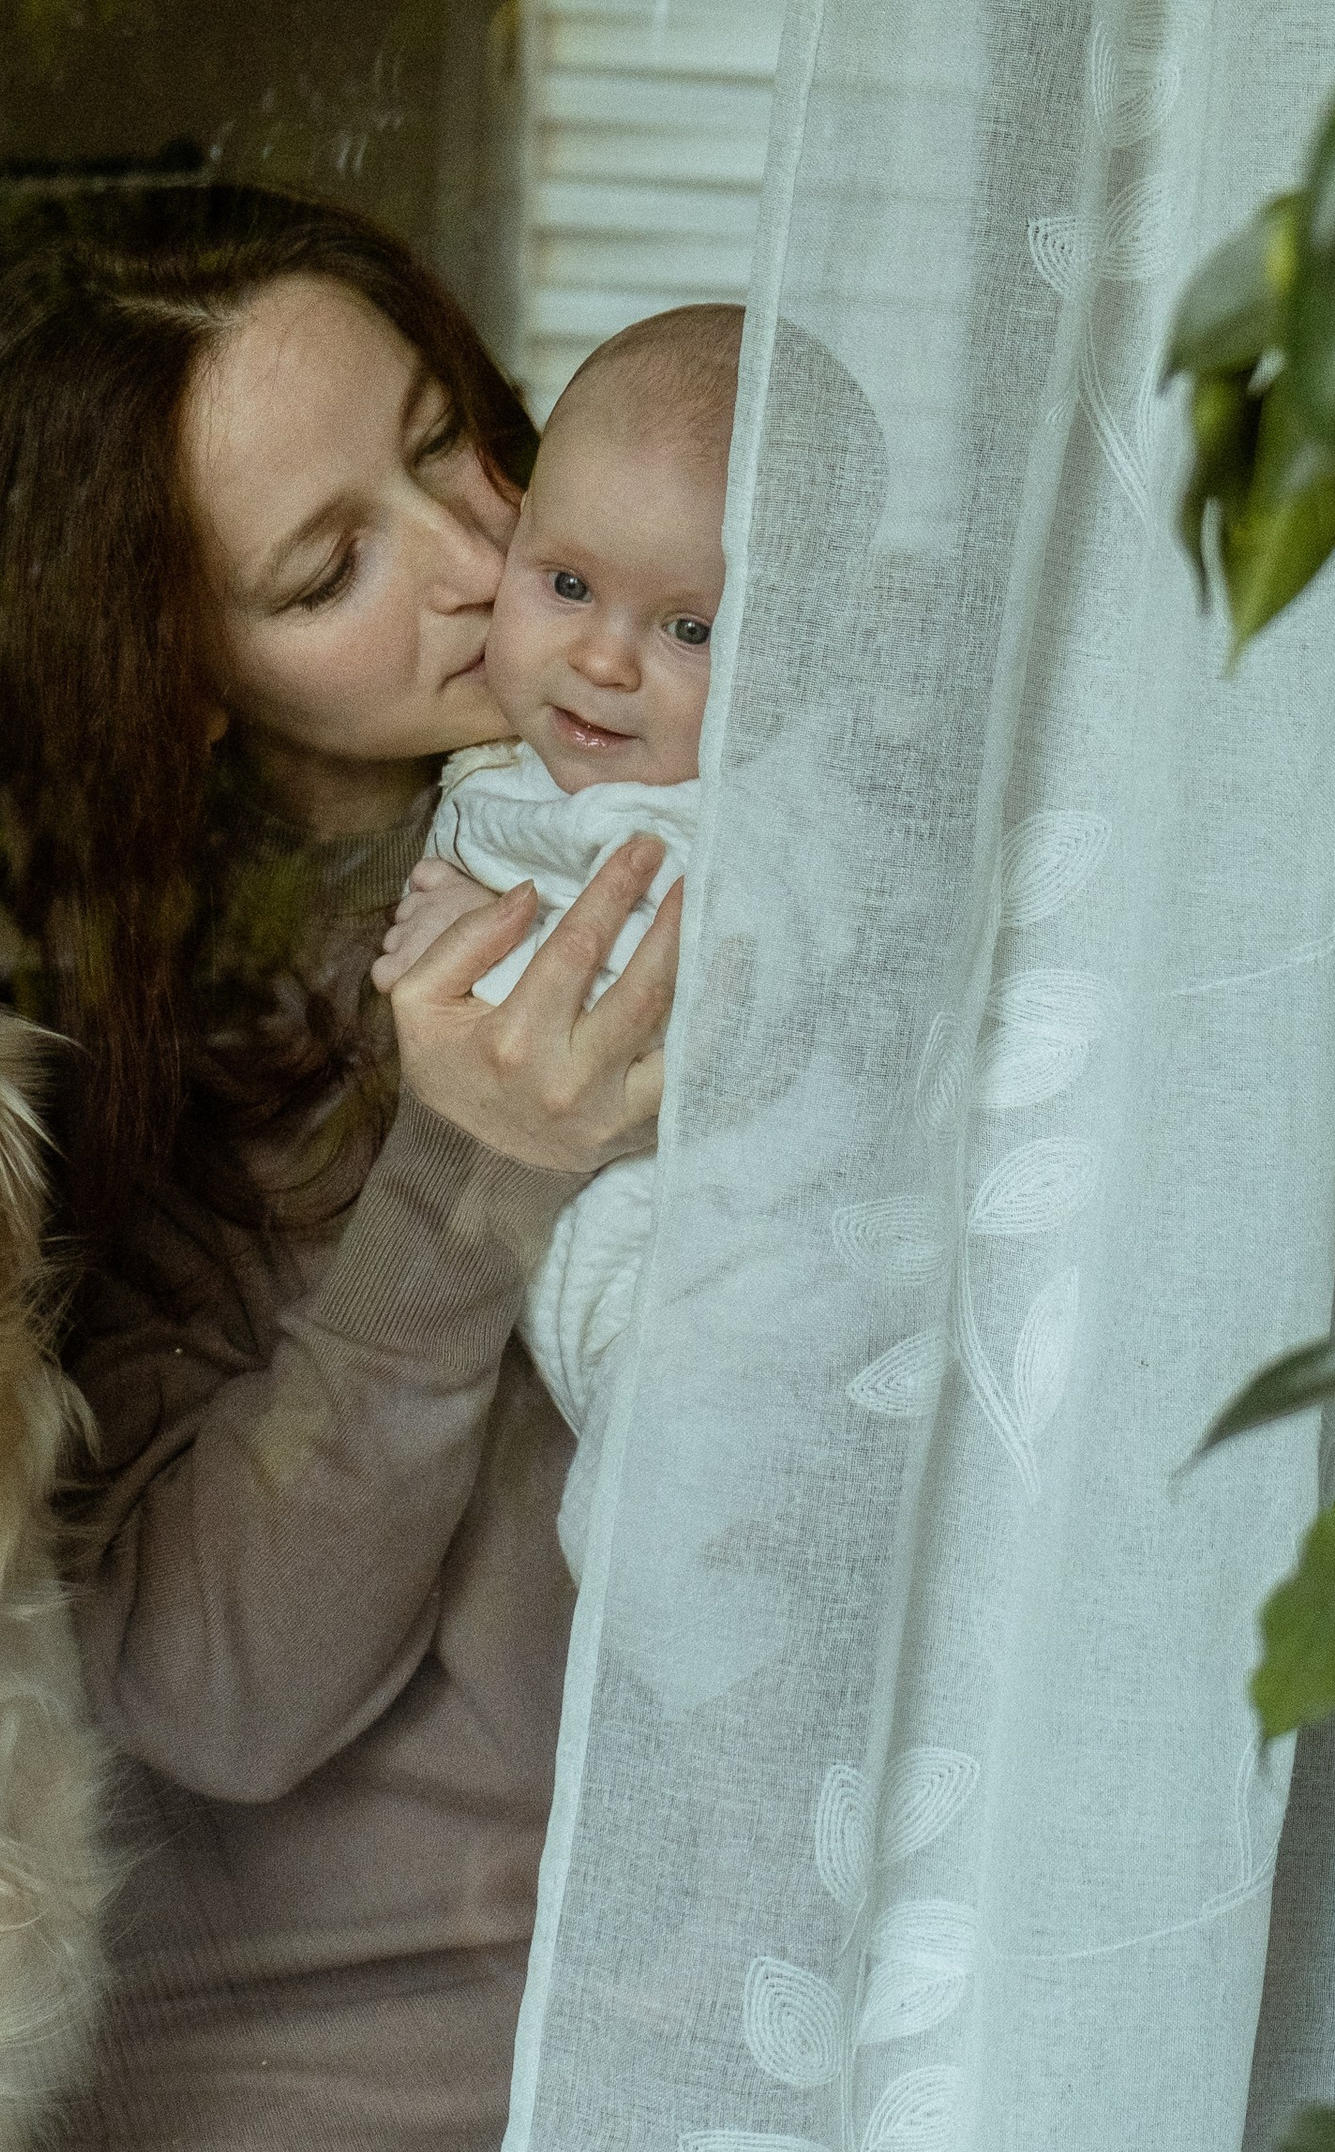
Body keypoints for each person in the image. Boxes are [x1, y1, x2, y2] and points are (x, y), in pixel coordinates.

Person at [0, 184, 678, 2152]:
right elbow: (212, 1680)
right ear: (176, 672)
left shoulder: (657, 822)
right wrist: (467, 1176)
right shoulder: (87, 1112)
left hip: (688, 2058)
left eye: (457, 444)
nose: (476, 557)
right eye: (329, 567)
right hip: (354, 2134)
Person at [375, 300, 742, 1572]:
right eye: (569, 584)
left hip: (698, 1247)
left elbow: (707, 1003)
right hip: (581, 1263)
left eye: (692, 628)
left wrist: (490, 943)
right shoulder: (512, 773)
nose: (603, 658)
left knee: (684, 1466)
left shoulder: (715, 812)